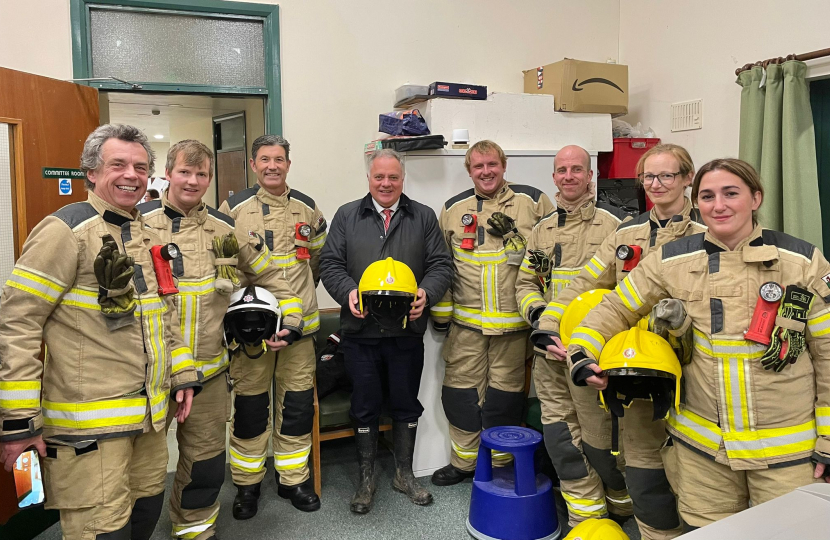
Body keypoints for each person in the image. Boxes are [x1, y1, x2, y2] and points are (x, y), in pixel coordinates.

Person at [569, 158, 830, 530]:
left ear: (756, 198)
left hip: (789, 457)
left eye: (731, 193)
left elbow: (828, 354)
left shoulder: (802, 262)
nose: (718, 205)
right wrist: (582, 353)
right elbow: (612, 308)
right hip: (702, 455)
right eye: (707, 196)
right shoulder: (672, 260)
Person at [0, 124, 200, 540]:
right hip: (89, 433)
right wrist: (19, 423)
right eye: (118, 164)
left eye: (140, 167)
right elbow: (18, 323)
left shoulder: (147, 234)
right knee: (102, 532)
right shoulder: (64, 231)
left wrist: (181, 373)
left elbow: (165, 314)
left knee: (145, 515)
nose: (131, 174)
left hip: (148, 422)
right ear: (91, 171)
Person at [534, 143, 704, 539]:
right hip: (628, 370)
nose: (657, 184)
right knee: (637, 470)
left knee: (682, 476)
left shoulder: (706, 234)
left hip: (687, 374)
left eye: (667, 176)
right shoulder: (627, 234)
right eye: (649, 176)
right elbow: (583, 284)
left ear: (686, 179)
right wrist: (549, 324)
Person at [137, 140, 303, 539]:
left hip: (209, 373)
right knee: (141, 477)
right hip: (148, 374)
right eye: (184, 172)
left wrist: (292, 317)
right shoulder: (137, 224)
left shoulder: (226, 229)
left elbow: (271, 277)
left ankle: (195, 531)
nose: (193, 181)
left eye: (202, 174)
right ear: (168, 174)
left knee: (205, 465)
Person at [320, 148, 453, 514]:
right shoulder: (348, 215)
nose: (386, 183)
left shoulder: (423, 217)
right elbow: (329, 263)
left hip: (406, 332)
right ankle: (366, 478)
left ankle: (404, 474)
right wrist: (348, 292)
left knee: (405, 404)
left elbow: (441, 264)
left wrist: (427, 292)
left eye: (393, 177)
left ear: (402, 179)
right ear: (369, 178)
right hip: (360, 333)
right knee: (364, 406)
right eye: (379, 177)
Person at [514, 145, 632, 526]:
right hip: (551, 352)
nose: (568, 176)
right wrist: (540, 317)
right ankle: (585, 515)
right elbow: (526, 282)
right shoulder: (542, 229)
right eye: (562, 170)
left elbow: (628, 291)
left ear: (589, 176)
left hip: (593, 354)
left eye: (576, 169)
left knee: (601, 438)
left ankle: (621, 506)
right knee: (561, 435)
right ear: (553, 177)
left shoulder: (617, 226)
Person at [430, 140, 554, 485]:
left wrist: (516, 239)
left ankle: (500, 465)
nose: (486, 172)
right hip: (465, 327)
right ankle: (464, 464)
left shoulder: (533, 201)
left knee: (504, 401)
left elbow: (550, 260)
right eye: (478, 166)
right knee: (459, 397)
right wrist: (441, 317)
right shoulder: (454, 208)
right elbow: (443, 264)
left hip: (514, 330)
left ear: (504, 165)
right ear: (469, 170)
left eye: (492, 165)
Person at [218, 135, 326, 518]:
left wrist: (297, 310)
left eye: (279, 159)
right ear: (253, 164)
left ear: (288, 164)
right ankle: (247, 486)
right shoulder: (232, 209)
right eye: (264, 159)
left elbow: (317, 261)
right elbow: (225, 265)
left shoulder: (308, 208)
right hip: (252, 332)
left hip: (302, 331)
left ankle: (292, 479)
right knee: (250, 407)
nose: (272, 166)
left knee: (296, 407)